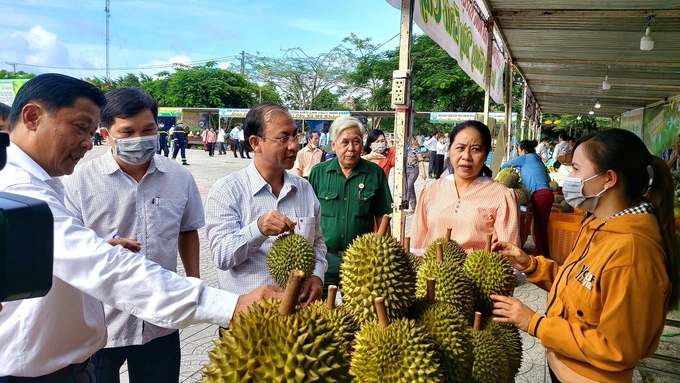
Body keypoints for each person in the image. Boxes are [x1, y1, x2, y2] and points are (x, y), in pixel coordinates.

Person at [0, 73, 283, 381]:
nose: (86, 142)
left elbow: (61, 255)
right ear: (31, 117)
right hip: (40, 368)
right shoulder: (24, 188)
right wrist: (229, 303)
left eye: (90, 131)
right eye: (81, 128)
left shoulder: (40, 184)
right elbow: (102, 267)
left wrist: (99, 250)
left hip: (136, 335)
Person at [491, 128, 678, 383]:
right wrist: (532, 266)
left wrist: (535, 323)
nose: (571, 177)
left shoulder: (633, 253)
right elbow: (581, 286)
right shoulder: (598, 224)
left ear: (608, 179)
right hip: (566, 365)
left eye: (577, 169)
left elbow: (618, 348)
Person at [62, 87, 203, 383]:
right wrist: (102, 248)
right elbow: (67, 249)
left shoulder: (179, 178)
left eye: (148, 129)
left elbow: (187, 229)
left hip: (160, 318)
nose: (139, 139)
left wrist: (194, 281)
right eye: (127, 132)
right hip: (102, 323)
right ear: (106, 134)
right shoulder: (79, 183)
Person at [205, 103, 327, 305]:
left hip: (298, 319)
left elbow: (318, 243)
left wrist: (316, 275)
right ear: (255, 143)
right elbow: (221, 256)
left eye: (295, 136)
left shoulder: (304, 189)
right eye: (283, 138)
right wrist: (258, 229)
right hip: (248, 322)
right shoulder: (227, 191)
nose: (294, 145)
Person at [308, 116, 393, 298]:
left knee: (360, 317)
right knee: (316, 313)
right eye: (344, 142)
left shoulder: (374, 173)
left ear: (362, 144)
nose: (351, 148)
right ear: (333, 145)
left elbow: (382, 217)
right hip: (324, 259)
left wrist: (387, 258)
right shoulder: (318, 173)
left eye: (356, 141)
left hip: (363, 262)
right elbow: (307, 217)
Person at [410, 120, 520, 253]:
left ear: (486, 154)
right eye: (460, 148)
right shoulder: (430, 190)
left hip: (479, 272)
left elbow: (509, 253)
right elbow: (417, 246)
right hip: (431, 271)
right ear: (450, 150)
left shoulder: (503, 196)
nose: (466, 157)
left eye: (476, 149)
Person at [500, 140, 554, 257]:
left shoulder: (526, 157)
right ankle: (539, 253)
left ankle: (543, 255)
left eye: (519, 151)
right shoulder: (537, 159)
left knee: (540, 228)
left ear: (524, 150)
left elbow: (505, 165)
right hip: (547, 194)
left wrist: (511, 172)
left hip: (540, 195)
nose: (519, 153)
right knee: (539, 227)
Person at [405, 136, 427, 213]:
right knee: (410, 188)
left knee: (407, 187)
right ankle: (414, 207)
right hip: (406, 170)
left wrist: (423, 172)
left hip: (413, 170)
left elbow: (420, 160)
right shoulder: (405, 148)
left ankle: (405, 205)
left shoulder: (415, 149)